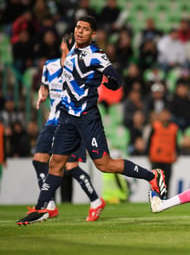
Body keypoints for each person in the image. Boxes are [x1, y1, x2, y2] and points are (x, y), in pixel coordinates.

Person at [16, 15, 167, 226]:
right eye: (78, 27)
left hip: (87, 118)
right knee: (55, 162)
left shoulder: (96, 55)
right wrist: (44, 90)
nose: (79, 31)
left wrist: (112, 81)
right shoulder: (70, 51)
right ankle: (42, 208)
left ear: (92, 34)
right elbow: (56, 73)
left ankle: (152, 176)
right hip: (67, 117)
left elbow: (115, 76)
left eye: (85, 29)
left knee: (104, 164)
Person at [31, 33, 105, 220]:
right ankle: (49, 204)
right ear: (63, 45)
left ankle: (95, 201)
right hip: (53, 121)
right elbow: (44, 86)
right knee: (39, 159)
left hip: (72, 121)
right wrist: (42, 94)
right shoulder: (50, 65)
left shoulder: (81, 67)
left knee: (71, 166)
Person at [147, 108, 179, 196]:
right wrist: (148, 153)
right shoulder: (155, 126)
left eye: (166, 114)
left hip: (168, 158)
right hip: (156, 157)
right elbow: (149, 141)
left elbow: (175, 142)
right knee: (155, 179)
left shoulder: (173, 128)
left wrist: (177, 153)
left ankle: (165, 198)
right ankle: (154, 197)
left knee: (167, 180)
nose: (165, 116)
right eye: (163, 114)